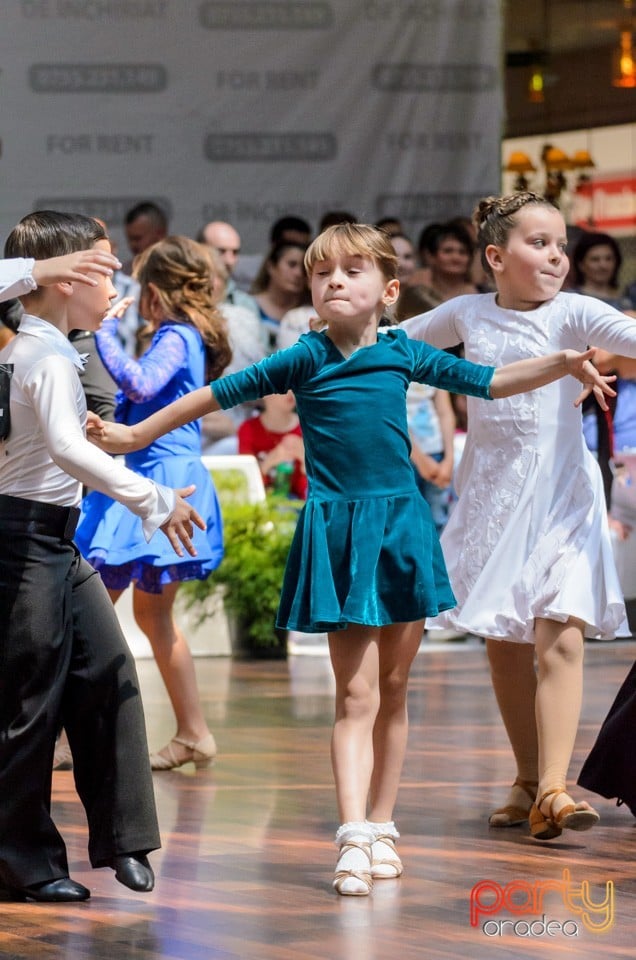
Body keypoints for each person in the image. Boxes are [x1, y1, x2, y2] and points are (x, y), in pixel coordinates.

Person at [86, 222, 611, 895]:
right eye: (323, 273)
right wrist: (134, 432)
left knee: (394, 691)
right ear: (310, 292)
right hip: (340, 535)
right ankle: (353, 833)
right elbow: (213, 395)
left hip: (401, 532)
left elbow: (490, 380)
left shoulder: (401, 351)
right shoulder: (304, 356)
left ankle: (384, 826)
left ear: (388, 291)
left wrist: (564, 359)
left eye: (353, 271)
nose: (335, 281)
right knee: (355, 694)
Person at [401, 191, 636, 843]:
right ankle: (529, 780)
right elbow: (391, 345)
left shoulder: (578, 312)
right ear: (497, 256)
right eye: (541, 244)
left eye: (561, 244)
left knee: (558, 628)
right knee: (503, 641)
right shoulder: (467, 313)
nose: (558, 256)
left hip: (563, 492)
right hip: (492, 492)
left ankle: (555, 788)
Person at [0, 211, 205, 902]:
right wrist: (155, 500)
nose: (117, 274)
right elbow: (65, 447)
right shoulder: (44, 351)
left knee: (109, 667)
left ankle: (123, 841)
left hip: (51, 539)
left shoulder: (44, 345)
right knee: (28, 704)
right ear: (65, 280)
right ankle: (22, 863)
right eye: (103, 263)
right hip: (22, 540)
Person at [76, 235, 231, 772]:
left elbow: (140, 386)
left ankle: (63, 737)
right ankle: (193, 732)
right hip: (159, 474)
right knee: (150, 618)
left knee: (87, 610)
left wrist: (103, 332)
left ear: (156, 291)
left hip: (158, 482)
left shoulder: (177, 335)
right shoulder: (184, 336)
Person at [238, 391, 307, 499]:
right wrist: (268, 462)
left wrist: (306, 462)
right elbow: (245, 484)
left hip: (298, 503)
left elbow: (312, 492)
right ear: (264, 391)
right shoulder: (248, 430)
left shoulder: (308, 429)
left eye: (294, 385)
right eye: (283, 385)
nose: (291, 392)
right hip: (262, 500)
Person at [250, 240, 310, 353]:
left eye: (303, 268)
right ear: (271, 266)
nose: (298, 273)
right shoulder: (247, 305)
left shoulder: (311, 315)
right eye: (292, 264)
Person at [199, 220, 260, 318]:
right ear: (199, 249)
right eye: (221, 251)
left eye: (235, 252)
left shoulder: (245, 304)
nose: (229, 261)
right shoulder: (183, 296)